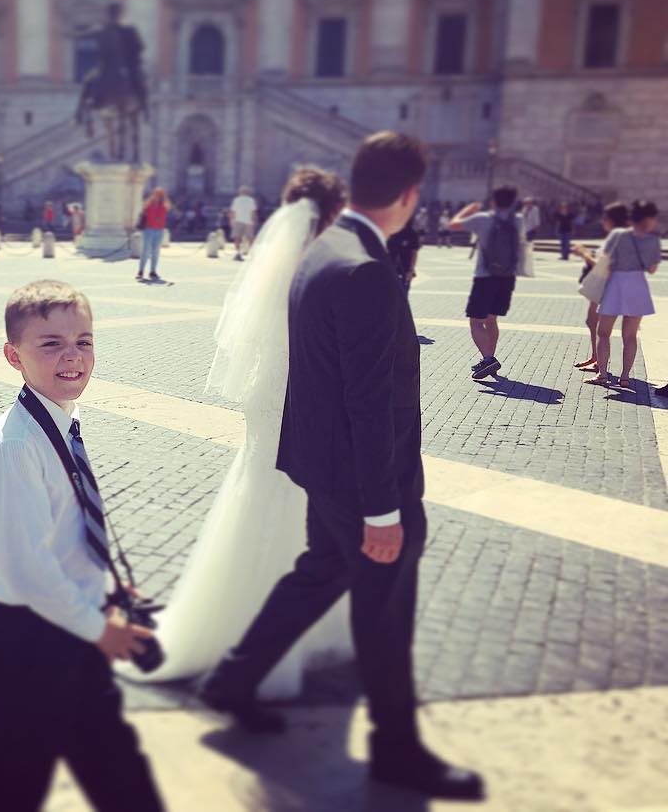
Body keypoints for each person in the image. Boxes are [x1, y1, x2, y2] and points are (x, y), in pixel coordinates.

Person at [198, 132, 484, 801]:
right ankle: (397, 751)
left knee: (322, 569)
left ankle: (233, 678)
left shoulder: (324, 248)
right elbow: (368, 400)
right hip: (363, 481)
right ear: (410, 195)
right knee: (385, 612)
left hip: (321, 465)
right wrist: (383, 510)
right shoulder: (365, 269)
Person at [120, 168, 352, 698]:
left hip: (268, 392)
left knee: (263, 499)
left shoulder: (278, 261)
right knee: (293, 508)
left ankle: (242, 623)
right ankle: (270, 641)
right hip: (300, 399)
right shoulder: (320, 264)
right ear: (330, 212)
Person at [0, 280, 164, 812]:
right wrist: (103, 631)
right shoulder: (14, 447)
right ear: (13, 355)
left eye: (84, 340)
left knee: (113, 767)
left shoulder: (56, 420)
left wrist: (107, 585)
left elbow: (67, 522)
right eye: (50, 343)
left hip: (71, 621)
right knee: (13, 786)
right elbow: (28, 570)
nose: (72, 356)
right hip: (35, 639)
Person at [449, 185, 526, 380]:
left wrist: (470, 209)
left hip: (485, 276)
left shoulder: (483, 219)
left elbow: (453, 224)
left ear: (493, 201)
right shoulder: (518, 220)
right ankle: (487, 360)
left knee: (475, 321)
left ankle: (489, 358)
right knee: (492, 320)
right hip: (507, 277)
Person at [586, 200, 660, 389]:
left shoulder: (617, 235)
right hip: (637, 286)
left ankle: (602, 375)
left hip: (616, 284)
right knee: (630, 336)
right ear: (649, 219)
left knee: (603, 333)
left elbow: (605, 262)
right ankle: (625, 377)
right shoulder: (652, 240)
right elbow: (651, 269)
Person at [572, 202, 629, 370]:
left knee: (599, 327)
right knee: (591, 321)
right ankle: (596, 358)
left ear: (612, 219)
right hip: (603, 285)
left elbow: (604, 265)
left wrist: (584, 254)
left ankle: (599, 363)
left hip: (607, 285)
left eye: (605, 218)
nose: (603, 221)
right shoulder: (619, 236)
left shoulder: (617, 237)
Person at [137, 187, 170, 281]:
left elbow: (168, 207)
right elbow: (144, 207)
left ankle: (153, 271)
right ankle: (141, 270)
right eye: (156, 194)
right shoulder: (149, 204)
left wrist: (164, 197)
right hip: (148, 229)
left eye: (160, 194)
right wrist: (152, 198)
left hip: (159, 230)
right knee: (145, 250)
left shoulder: (164, 204)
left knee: (156, 251)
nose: (158, 196)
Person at [388, 217, 421, 293]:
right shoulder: (391, 232)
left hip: (405, 270)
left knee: (403, 295)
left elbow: (414, 253)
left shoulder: (412, 234)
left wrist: (411, 270)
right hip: (390, 269)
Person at [229, 186, 258, 260]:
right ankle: (253, 253)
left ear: (240, 192)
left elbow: (233, 211)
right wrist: (253, 221)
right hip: (248, 221)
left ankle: (238, 253)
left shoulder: (236, 200)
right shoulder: (251, 200)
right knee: (250, 238)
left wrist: (231, 220)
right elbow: (253, 212)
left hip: (238, 220)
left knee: (237, 238)